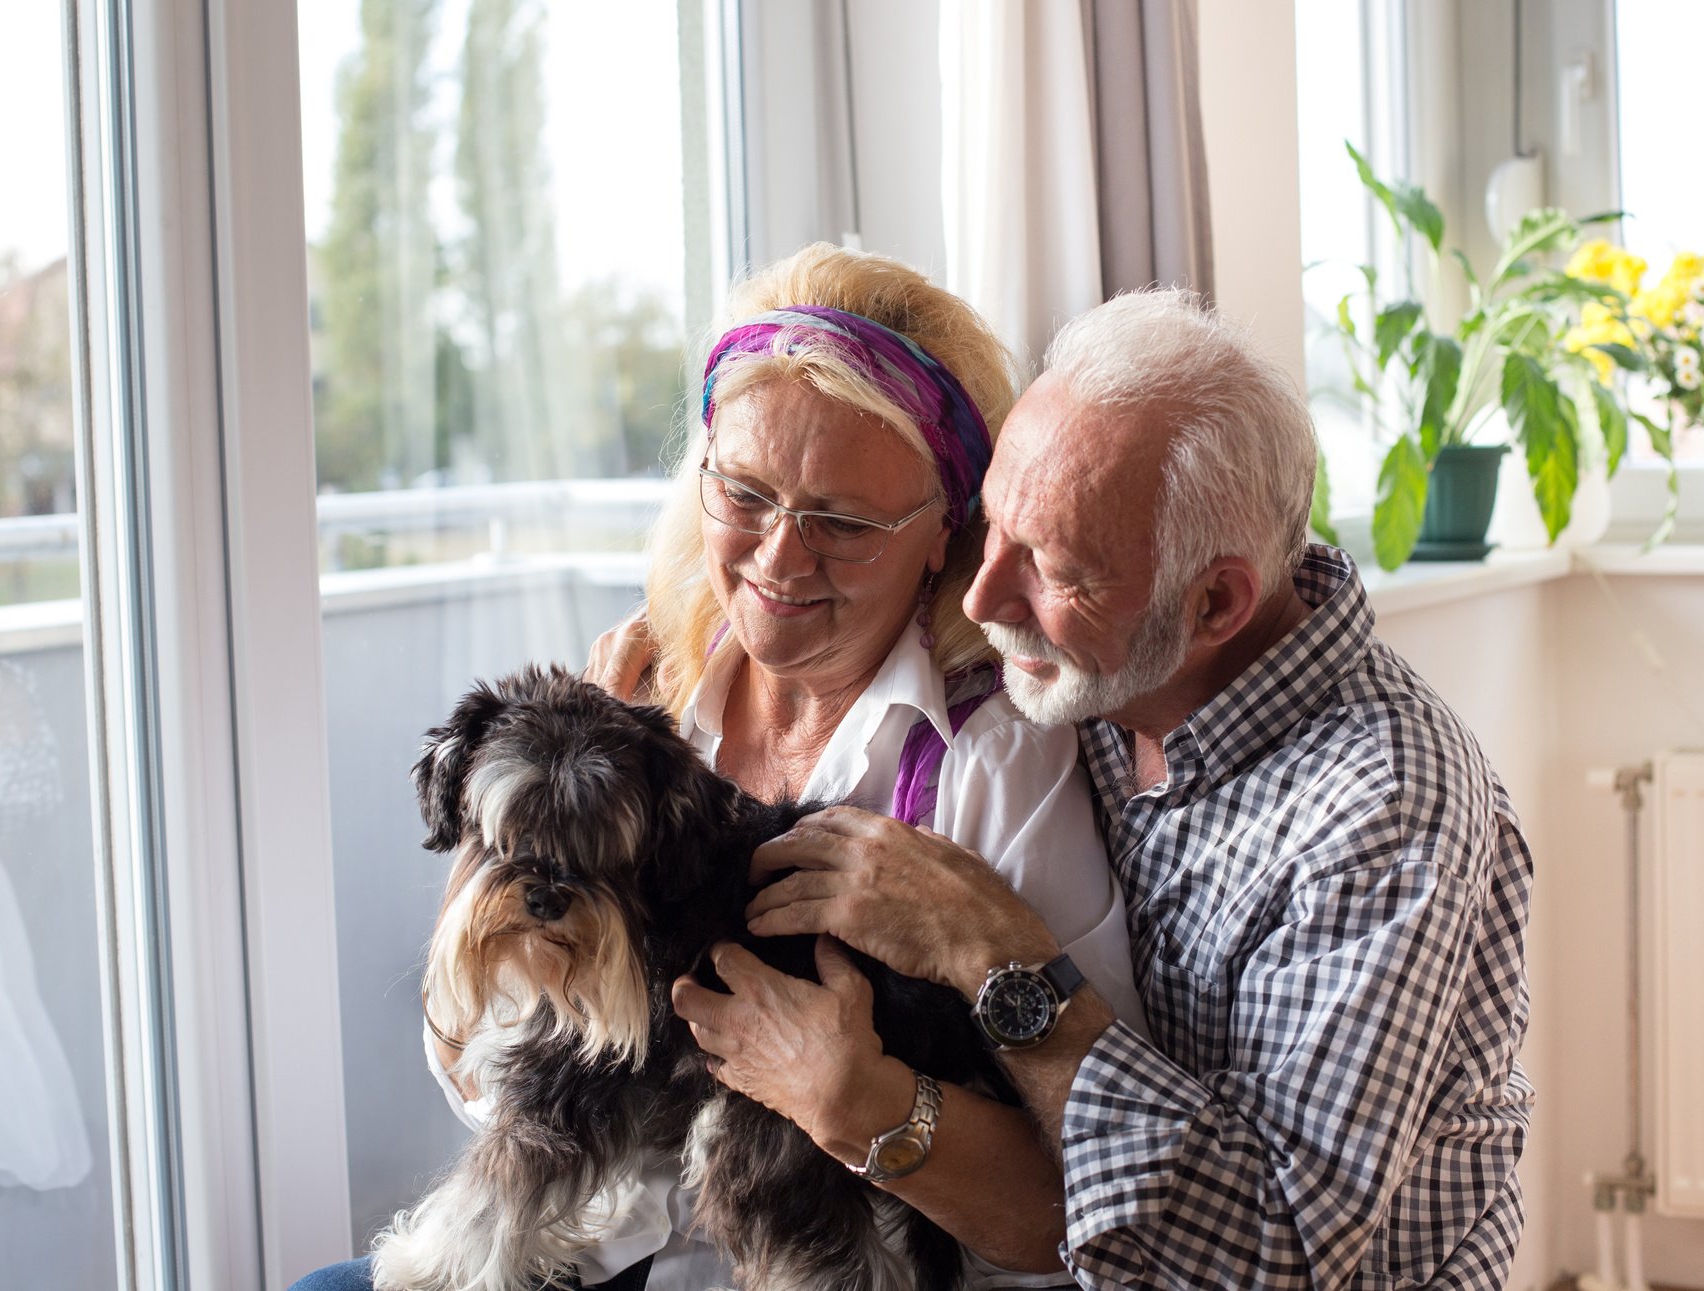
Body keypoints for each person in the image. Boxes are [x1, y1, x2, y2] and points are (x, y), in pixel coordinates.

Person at [289, 243, 1146, 1291]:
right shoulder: (637, 697)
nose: (781, 557)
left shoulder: (994, 764)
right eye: (745, 492)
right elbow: (487, 1067)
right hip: (589, 1251)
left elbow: (1089, 1200)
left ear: (942, 533)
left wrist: (865, 1099)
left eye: (842, 520)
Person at [695, 289, 1535, 1289]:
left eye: (1051, 569)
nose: (981, 598)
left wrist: (998, 956)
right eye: (991, 528)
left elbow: (1276, 1253)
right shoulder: (1106, 673)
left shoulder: (1381, 811)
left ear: (1214, 601)